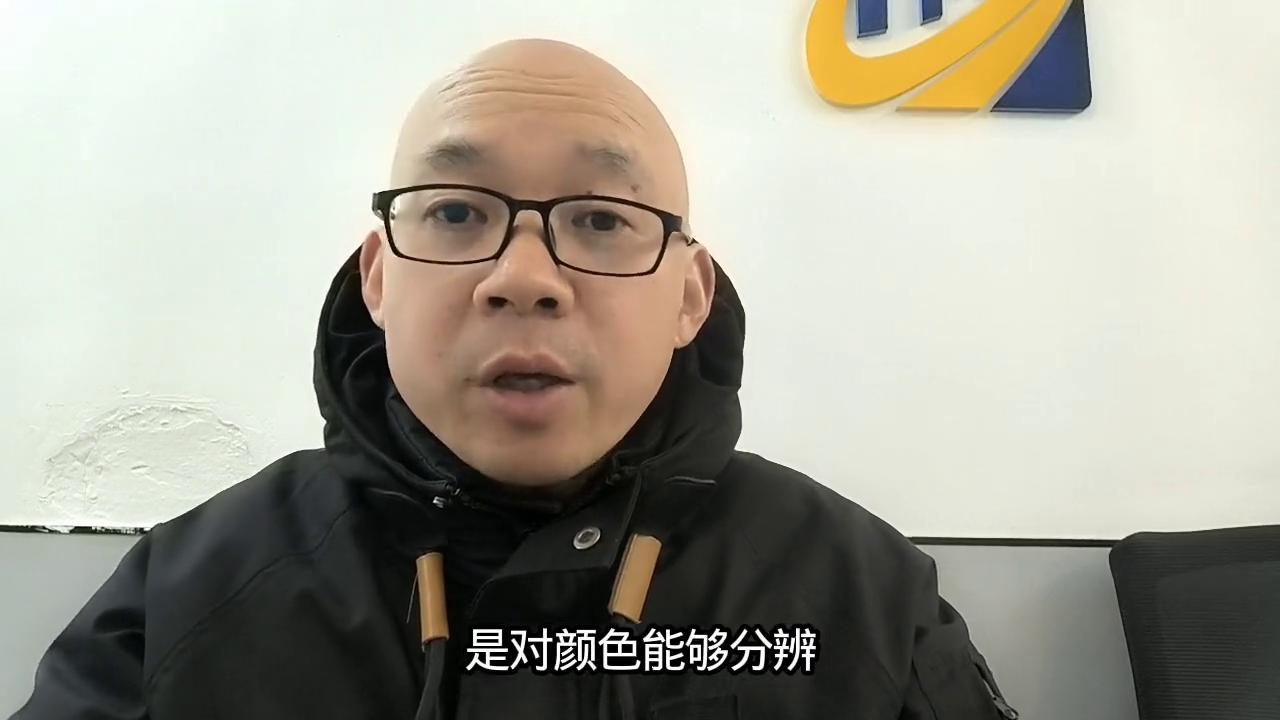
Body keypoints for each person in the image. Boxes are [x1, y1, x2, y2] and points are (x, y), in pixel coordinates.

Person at [13, 39, 1017, 720]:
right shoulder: (191, 596)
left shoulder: (859, 594)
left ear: (688, 296)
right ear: (378, 278)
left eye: (602, 218)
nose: (524, 278)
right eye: (456, 213)